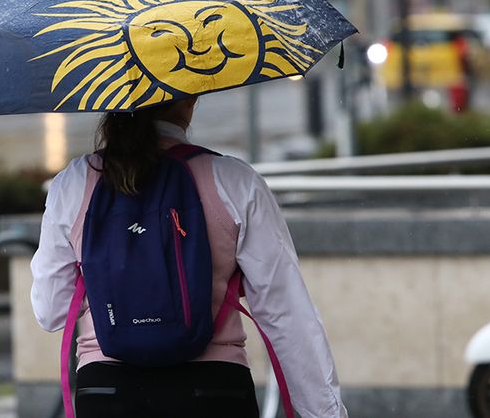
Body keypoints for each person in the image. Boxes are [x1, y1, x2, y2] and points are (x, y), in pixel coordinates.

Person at [31, 97, 348, 418]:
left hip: (107, 392)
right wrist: (323, 412)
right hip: (213, 392)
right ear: (189, 99)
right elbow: (287, 315)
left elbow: (51, 311)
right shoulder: (233, 180)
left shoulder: (73, 183)